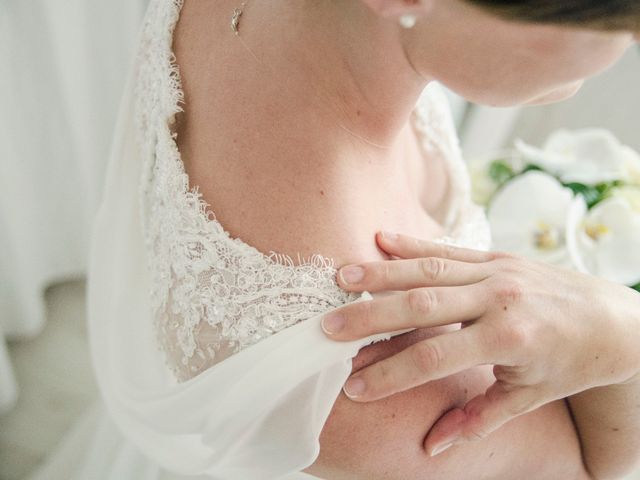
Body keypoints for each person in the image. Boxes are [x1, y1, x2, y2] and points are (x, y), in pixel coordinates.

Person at [30, 0, 640, 479]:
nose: (625, 46)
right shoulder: (354, 357)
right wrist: (620, 335)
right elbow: (589, 469)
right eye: (614, 18)